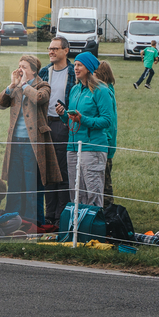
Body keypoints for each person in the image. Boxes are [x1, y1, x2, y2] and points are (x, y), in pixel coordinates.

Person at [0, 55, 61, 223]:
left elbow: (40, 98)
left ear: (33, 70)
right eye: (19, 66)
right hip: (15, 142)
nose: (19, 69)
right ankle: (12, 219)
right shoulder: (16, 87)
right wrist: (11, 85)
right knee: (15, 183)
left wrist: (24, 85)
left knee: (33, 184)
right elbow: (0, 104)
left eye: (23, 67)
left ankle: (33, 221)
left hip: (34, 144)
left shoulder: (43, 85)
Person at [54, 52, 114, 208]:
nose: (75, 68)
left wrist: (83, 119)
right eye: (75, 65)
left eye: (79, 65)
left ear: (89, 68)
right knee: (76, 193)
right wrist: (63, 115)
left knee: (92, 193)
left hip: (92, 148)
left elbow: (107, 120)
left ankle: (92, 228)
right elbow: (72, 120)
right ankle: (77, 229)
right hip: (73, 147)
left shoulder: (101, 90)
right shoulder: (75, 90)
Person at [39, 35, 75, 224]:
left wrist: (66, 114)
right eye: (49, 48)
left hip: (64, 124)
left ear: (65, 51)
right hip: (46, 125)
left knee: (62, 171)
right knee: (47, 172)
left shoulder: (74, 73)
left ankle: (61, 216)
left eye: (55, 48)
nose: (51, 52)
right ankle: (49, 215)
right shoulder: (45, 72)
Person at [95, 61, 118, 207]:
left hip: (106, 143)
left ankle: (108, 211)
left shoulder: (105, 93)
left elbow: (109, 122)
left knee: (105, 181)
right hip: (109, 141)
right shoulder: (109, 90)